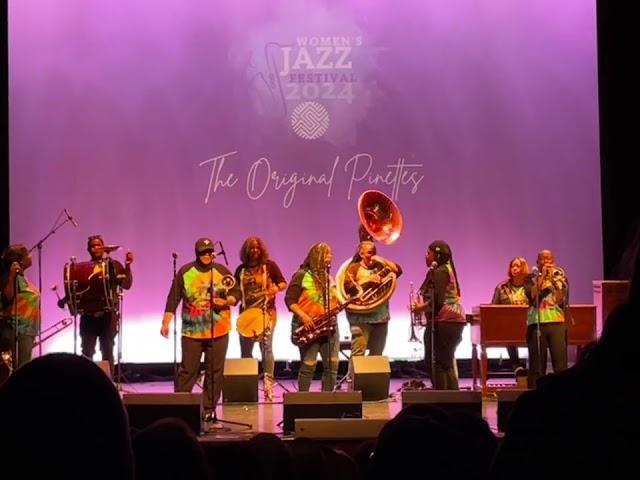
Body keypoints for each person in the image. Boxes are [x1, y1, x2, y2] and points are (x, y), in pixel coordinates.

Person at [161, 237, 240, 424]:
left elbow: (237, 293)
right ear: (197, 253)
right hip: (192, 331)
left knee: (215, 372)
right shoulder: (186, 272)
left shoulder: (221, 271)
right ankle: (180, 408)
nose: (206, 255)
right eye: (202, 252)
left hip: (218, 330)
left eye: (209, 252)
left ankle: (209, 409)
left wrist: (226, 301)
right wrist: (166, 321)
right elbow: (173, 297)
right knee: (188, 370)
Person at [58, 235, 133, 374]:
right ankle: (87, 383)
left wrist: (127, 266)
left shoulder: (113, 265)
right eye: (93, 246)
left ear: (104, 247)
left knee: (107, 350)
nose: (96, 248)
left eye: (99, 245)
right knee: (86, 351)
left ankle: (108, 384)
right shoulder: (84, 269)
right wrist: (65, 300)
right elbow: (80, 289)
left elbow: (127, 284)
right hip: (88, 316)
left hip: (108, 316)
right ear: (88, 249)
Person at [234, 237, 287, 402]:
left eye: (257, 248)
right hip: (246, 314)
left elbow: (283, 283)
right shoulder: (240, 269)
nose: (255, 250)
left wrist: (275, 289)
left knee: (266, 348)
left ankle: (268, 385)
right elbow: (235, 292)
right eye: (251, 248)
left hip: (266, 312)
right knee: (246, 350)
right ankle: (247, 384)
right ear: (246, 251)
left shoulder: (270, 266)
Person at [410, 240, 465, 389]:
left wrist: (420, 308)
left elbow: (438, 301)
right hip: (450, 321)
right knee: (444, 363)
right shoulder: (444, 269)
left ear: (437, 255)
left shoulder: (441, 271)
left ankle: (444, 400)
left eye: (428, 253)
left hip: (445, 321)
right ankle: (452, 400)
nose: (425, 256)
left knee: (437, 363)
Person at [285, 242, 339, 392]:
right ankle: (303, 400)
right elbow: (289, 300)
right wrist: (304, 316)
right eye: (327, 254)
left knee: (333, 363)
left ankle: (327, 400)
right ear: (318, 256)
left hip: (330, 326)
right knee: (309, 364)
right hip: (309, 326)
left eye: (331, 254)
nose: (331, 257)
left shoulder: (329, 278)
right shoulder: (301, 275)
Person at [342, 240, 402, 357]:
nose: (372, 255)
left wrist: (381, 259)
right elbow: (347, 287)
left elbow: (398, 270)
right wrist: (368, 279)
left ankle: (372, 376)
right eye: (369, 253)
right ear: (361, 254)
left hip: (380, 317)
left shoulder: (380, 266)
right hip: (360, 318)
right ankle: (354, 376)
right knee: (358, 352)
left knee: (377, 353)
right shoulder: (353, 268)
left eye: (374, 252)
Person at [524, 249, 569, 388]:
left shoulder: (560, 277)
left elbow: (561, 301)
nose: (546, 262)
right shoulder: (529, 278)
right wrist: (542, 277)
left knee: (560, 365)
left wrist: (555, 283)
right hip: (536, 324)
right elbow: (532, 297)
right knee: (537, 366)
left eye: (549, 259)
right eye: (543, 259)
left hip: (557, 323)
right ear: (537, 262)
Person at [0, 244, 40, 370]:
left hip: (27, 330)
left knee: (24, 367)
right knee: (22, 369)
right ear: (21, 261)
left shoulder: (22, 278)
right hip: (19, 329)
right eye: (28, 254)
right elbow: (8, 297)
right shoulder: (13, 278)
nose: (31, 255)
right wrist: (12, 276)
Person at [491, 256, 530, 370]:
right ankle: (517, 367)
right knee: (508, 333)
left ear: (524, 268)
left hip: (527, 323)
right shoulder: (501, 287)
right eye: (513, 266)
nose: (515, 268)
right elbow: (493, 308)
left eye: (518, 266)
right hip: (508, 326)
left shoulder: (531, 286)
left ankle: (531, 370)